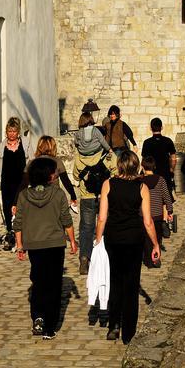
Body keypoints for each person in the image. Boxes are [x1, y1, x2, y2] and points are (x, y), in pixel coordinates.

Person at [94, 150, 160, 344]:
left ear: (120, 165)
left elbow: (102, 217)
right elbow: (148, 221)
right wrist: (155, 244)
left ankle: (114, 325)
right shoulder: (142, 188)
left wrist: (98, 240)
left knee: (115, 280)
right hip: (133, 238)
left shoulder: (108, 184)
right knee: (131, 284)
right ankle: (128, 332)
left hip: (113, 238)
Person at [13, 156, 78, 339]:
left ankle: (38, 317)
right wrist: (72, 241)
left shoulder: (24, 196)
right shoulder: (58, 195)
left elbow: (18, 223)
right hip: (55, 244)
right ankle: (50, 326)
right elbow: (66, 220)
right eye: (53, 172)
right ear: (49, 176)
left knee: (39, 282)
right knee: (54, 284)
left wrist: (19, 246)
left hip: (34, 245)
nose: (55, 174)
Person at [73, 114, 118, 275]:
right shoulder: (106, 155)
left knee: (86, 228)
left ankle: (84, 260)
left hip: (87, 196)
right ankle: (106, 257)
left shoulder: (79, 156)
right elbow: (115, 171)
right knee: (105, 224)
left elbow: (75, 175)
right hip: (105, 195)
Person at [0, 116, 33, 249]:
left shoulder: (25, 144)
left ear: (18, 132)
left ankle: (23, 235)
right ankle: (10, 235)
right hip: (7, 183)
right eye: (9, 131)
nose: (12, 134)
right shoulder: (2, 146)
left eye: (14, 131)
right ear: (6, 132)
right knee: (8, 209)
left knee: (22, 208)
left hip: (22, 182)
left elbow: (32, 160)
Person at [15, 135, 79, 214]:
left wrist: (15, 203)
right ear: (53, 147)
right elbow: (66, 181)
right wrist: (73, 196)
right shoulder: (57, 162)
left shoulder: (31, 162)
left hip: (36, 198)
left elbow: (23, 184)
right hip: (54, 197)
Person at [140, 155, 173, 268]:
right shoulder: (160, 180)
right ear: (154, 167)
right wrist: (170, 210)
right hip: (157, 214)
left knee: (146, 238)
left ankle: (148, 260)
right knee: (157, 237)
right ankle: (156, 258)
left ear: (143, 166)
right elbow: (166, 196)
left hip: (144, 214)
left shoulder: (140, 181)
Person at [141, 117, 177, 197]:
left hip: (151, 174)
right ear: (161, 127)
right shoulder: (168, 141)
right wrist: (171, 169)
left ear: (151, 128)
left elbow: (143, 160)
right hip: (165, 173)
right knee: (166, 198)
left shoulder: (147, 142)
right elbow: (173, 158)